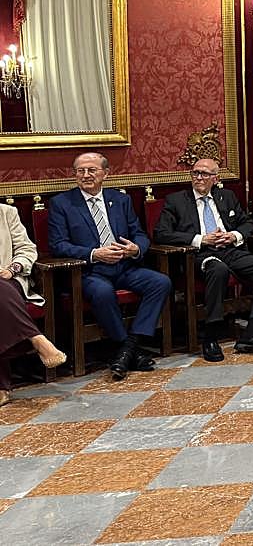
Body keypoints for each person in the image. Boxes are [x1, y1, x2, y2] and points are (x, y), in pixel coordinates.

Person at [48, 153, 170, 380]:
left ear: (105, 173)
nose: (86, 175)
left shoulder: (120, 200)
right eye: (80, 171)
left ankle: (129, 346)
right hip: (88, 272)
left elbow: (139, 234)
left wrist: (136, 249)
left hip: (124, 267)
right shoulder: (62, 203)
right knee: (102, 292)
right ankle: (127, 347)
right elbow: (58, 245)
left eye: (92, 170)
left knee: (160, 282)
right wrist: (94, 254)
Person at [155, 158, 253, 360]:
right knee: (218, 269)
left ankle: (251, 333)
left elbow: (247, 223)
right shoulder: (177, 200)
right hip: (198, 254)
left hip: (230, 250)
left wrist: (234, 235)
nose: (198, 178)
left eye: (204, 174)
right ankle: (210, 335)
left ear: (216, 178)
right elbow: (161, 233)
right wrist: (201, 239)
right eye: (195, 173)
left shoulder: (227, 196)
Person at [1, 203, 67, 406]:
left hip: (8, 279)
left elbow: (27, 249)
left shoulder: (6, 212)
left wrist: (13, 268)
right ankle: (35, 338)